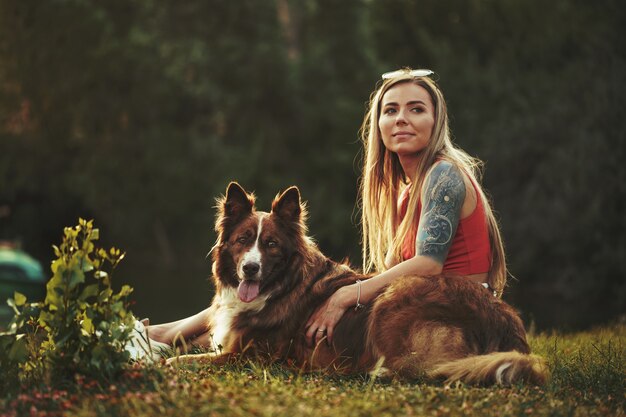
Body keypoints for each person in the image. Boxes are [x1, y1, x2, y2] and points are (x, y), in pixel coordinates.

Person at [146, 68, 507, 351]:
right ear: (378, 124)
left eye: (416, 109)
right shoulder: (406, 188)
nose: (401, 119)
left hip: (454, 315)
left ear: (436, 119)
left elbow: (429, 264)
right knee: (274, 298)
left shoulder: (443, 174)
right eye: (390, 110)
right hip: (425, 303)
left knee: (304, 300)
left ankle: (164, 337)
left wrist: (348, 293)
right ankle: (164, 334)